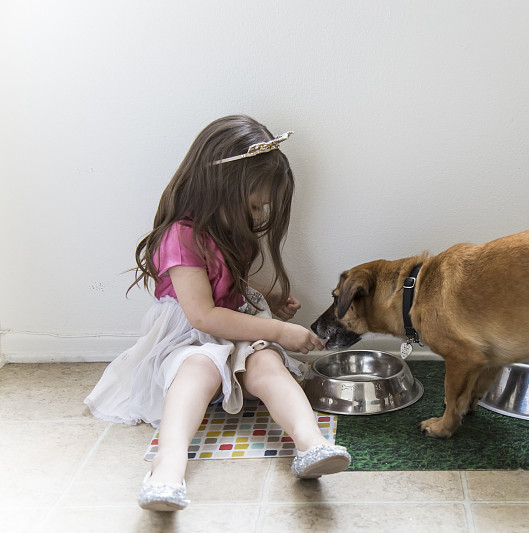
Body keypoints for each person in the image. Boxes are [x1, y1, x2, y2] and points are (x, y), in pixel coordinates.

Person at [84, 115, 349, 511]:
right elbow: (204, 316)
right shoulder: (180, 236)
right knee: (199, 368)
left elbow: (226, 281)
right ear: (220, 186)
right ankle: (167, 468)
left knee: (267, 364)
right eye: (254, 205)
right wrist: (279, 330)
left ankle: (311, 443)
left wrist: (268, 296)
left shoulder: (230, 228)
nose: (257, 215)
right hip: (188, 338)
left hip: (234, 325)